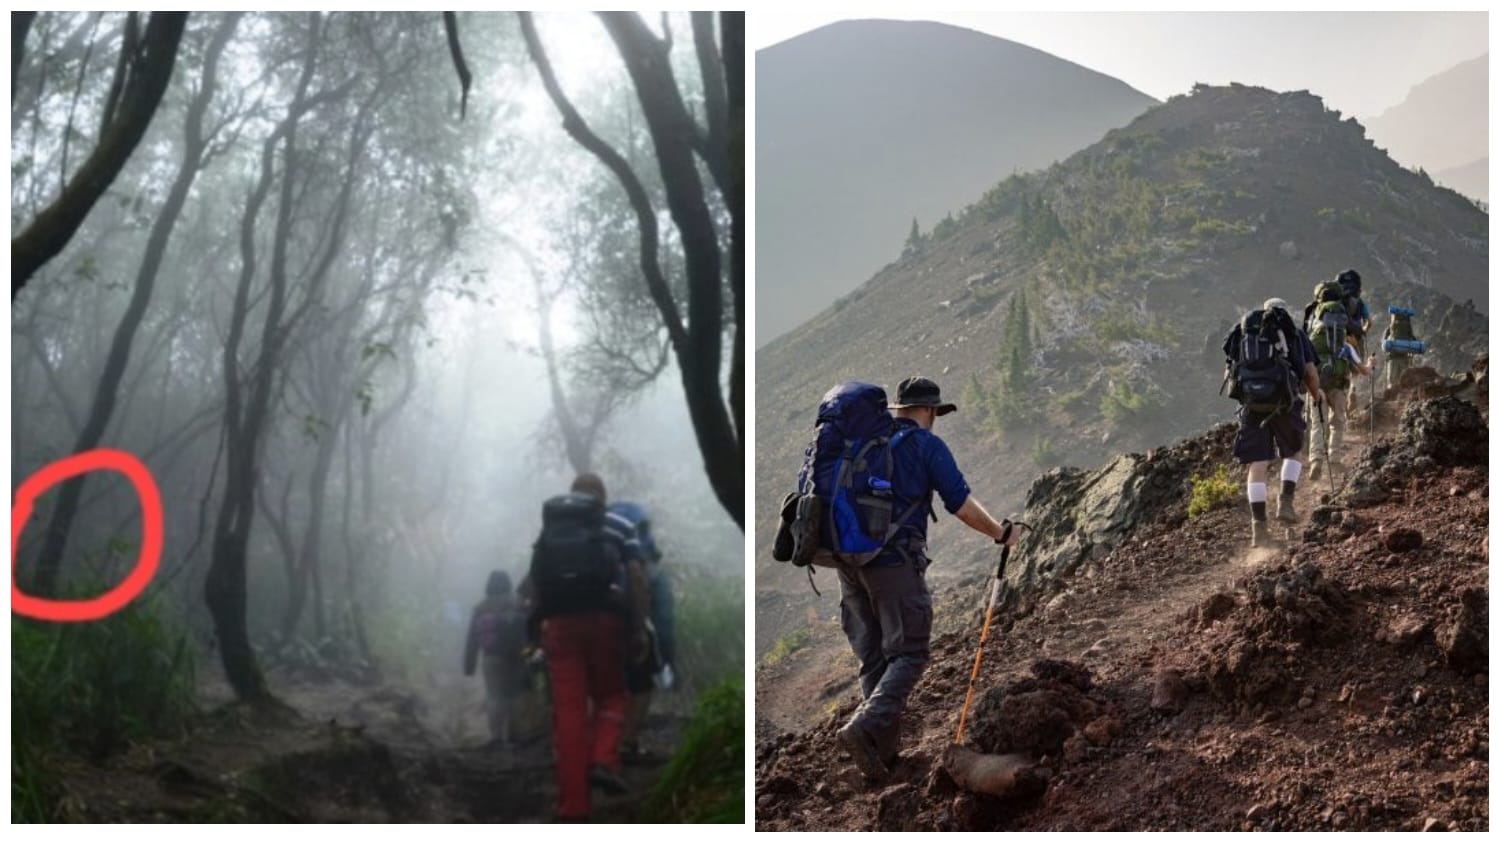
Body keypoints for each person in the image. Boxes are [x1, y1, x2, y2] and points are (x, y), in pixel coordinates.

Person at [833, 376, 1018, 780]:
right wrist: (1001, 534)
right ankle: (864, 729)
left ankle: (882, 758)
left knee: (875, 656)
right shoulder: (926, 445)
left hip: (847, 563)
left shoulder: (863, 443)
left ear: (897, 408)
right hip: (894, 562)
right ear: (931, 411)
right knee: (910, 653)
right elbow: (961, 505)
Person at [530, 472, 649, 822]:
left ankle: (574, 809)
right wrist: (639, 626)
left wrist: (538, 628)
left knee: (568, 714)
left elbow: (537, 582)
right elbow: (638, 579)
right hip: (605, 623)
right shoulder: (618, 525)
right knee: (612, 695)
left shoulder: (550, 530)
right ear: (602, 498)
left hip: (559, 627)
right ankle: (604, 760)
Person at [1223, 298, 1322, 547]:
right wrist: (1317, 396)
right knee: (1293, 453)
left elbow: (1230, 371)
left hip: (1251, 406)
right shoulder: (1293, 334)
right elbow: (1310, 373)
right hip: (1284, 403)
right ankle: (1285, 502)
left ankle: (1259, 529)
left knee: (1257, 464)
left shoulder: (1242, 333)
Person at [609, 500, 676, 764]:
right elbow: (663, 616)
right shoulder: (644, 557)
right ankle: (626, 744)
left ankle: (604, 744)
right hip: (635, 632)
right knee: (640, 687)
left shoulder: (601, 544)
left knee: (610, 688)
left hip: (602, 631)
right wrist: (667, 660)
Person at [463, 570, 528, 750]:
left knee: (495, 696)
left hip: (491, 658)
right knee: (514, 695)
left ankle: (496, 737)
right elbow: (530, 628)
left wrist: (469, 666)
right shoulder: (518, 604)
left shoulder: (481, 607)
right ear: (508, 584)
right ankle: (515, 736)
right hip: (517, 657)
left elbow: (472, 639)